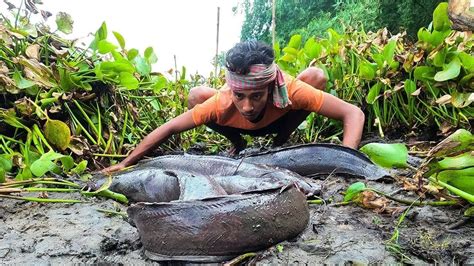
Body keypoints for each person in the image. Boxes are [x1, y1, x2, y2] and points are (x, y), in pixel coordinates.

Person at [101, 41, 365, 173]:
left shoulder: (291, 90)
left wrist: (345, 158)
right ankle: (237, 143)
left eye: (256, 96)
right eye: (240, 96)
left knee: (316, 76)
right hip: (237, 127)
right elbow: (169, 128)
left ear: (271, 86)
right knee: (197, 95)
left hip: (279, 120)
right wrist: (125, 164)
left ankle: (282, 140)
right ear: (232, 90)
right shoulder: (222, 102)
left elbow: (352, 113)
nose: (247, 106)